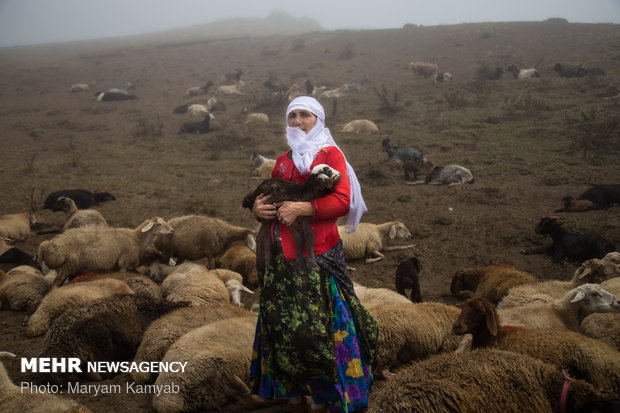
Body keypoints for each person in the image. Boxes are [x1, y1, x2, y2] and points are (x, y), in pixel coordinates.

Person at [249, 96, 378, 413]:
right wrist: (258, 209)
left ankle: (331, 394)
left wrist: (304, 208)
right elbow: (268, 199)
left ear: (318, 120)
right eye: (292, 116)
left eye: (304, 115)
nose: (297, 122)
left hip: (317, 255)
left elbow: (343, 201)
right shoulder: (281, 161)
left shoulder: (330, 154)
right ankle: (291, 391)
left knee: (320, 329)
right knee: (285, 326)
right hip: (280, 259)